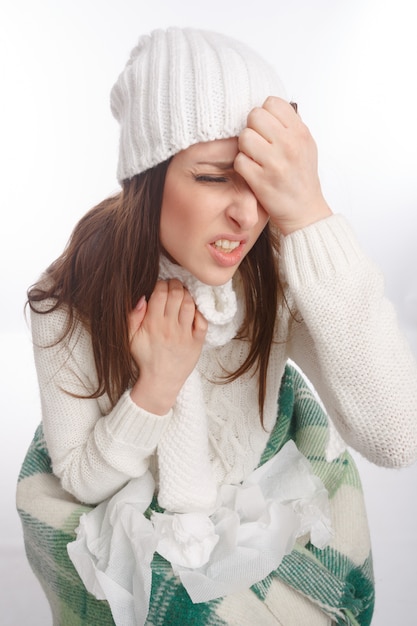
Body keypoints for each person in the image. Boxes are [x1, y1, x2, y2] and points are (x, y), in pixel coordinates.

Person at [18, 27, 417, 626]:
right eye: (212, 177)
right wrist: (155, 390)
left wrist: (310, 213)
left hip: (268, 512)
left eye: (261, 179)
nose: (248, 212)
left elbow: (399, 435)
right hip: (133, 536)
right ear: (147, 180)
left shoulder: (273, 269)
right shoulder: (70, 298)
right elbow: (80, 481)